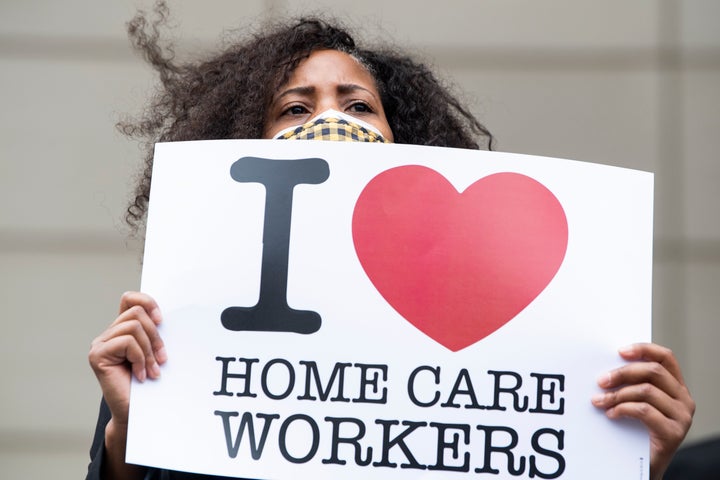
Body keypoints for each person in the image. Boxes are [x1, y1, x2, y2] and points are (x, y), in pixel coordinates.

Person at [87, 4, 695, 480]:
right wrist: (128, 443)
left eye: (359, 105)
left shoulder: (502, 321)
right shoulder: (181, 332)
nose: (334, 121)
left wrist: (633, 462)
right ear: (244, 140)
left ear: (404, 137)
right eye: (296, 109)